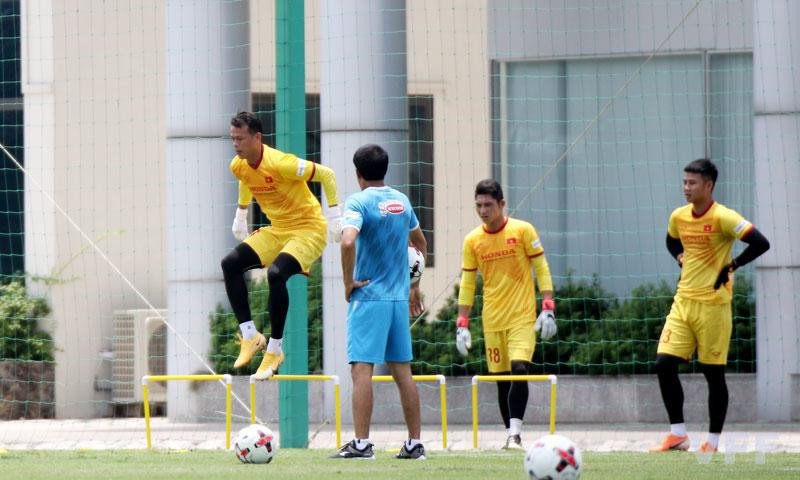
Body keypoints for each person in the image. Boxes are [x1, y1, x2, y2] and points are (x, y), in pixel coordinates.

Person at [651, 159, 769, 453]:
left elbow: (760, 243)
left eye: (692, 183)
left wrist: (733, 265)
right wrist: (680, 256)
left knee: (712, 374)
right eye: (684, 182)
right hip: (683, 302)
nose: (686, 187)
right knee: (664, 364)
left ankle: (712, 442)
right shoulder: (678, 216)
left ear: (708, 185)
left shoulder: (724, 217)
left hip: (714, 306)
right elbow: (671, 241)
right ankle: (678, 435)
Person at [221, 111, 341, 380]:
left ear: (257, 138)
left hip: (309, 230)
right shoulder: (238, 164)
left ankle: (275, 350)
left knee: (276, 274)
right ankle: (251, 336)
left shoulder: (281, 163)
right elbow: (246, 180)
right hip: (278, 229)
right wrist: (241, 213)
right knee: (230, 263)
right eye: (233, 138)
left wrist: (335, 215)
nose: (235, 144)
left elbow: (327, 174)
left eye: (240, 138)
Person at [330, 144, 428, 460]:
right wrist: (415, 286)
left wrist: (348, 282)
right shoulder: (401, 200)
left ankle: (361, 444)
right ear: (385, 169)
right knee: (403, 372)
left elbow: (347, 241)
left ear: (358, 173)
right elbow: (420, 243)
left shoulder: (358, 201)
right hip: (398, 298)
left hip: (369, 297)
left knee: (362, 370)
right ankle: (415, 444)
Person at [455, 179, 556, 449]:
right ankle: (510, 434)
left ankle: (516, 433)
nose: (483, 211)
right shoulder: (473, 240)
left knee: (519, 368)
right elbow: (468, 282)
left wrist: (548, 306)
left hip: (522, 316)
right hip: (492, 319)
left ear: (501, 204)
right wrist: (462, 322)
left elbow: (542, 267)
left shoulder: (523, 230)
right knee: (501, 380)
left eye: (488, 205)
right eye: (478, 205)